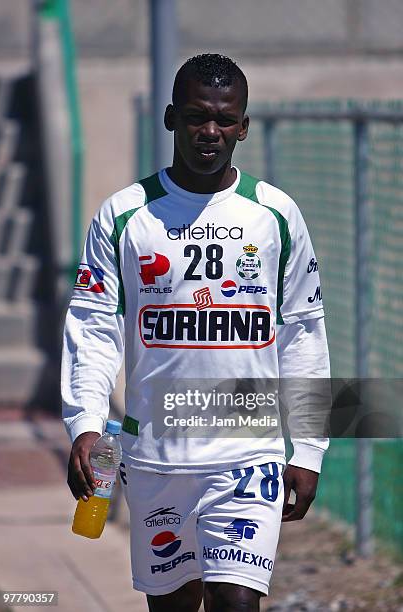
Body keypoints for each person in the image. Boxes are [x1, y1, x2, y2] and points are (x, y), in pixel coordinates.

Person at [62, 54, 330, 612]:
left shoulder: (274, 215)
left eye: (225, 120)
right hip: (155, 457)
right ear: (170, 119)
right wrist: (86, 424)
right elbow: (93, 329)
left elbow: (304, 336)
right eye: (195, 117)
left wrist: (307, 447)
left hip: (246, 455)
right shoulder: (124, 215)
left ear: (244, 126)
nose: (210, 132)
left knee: (236, 602)